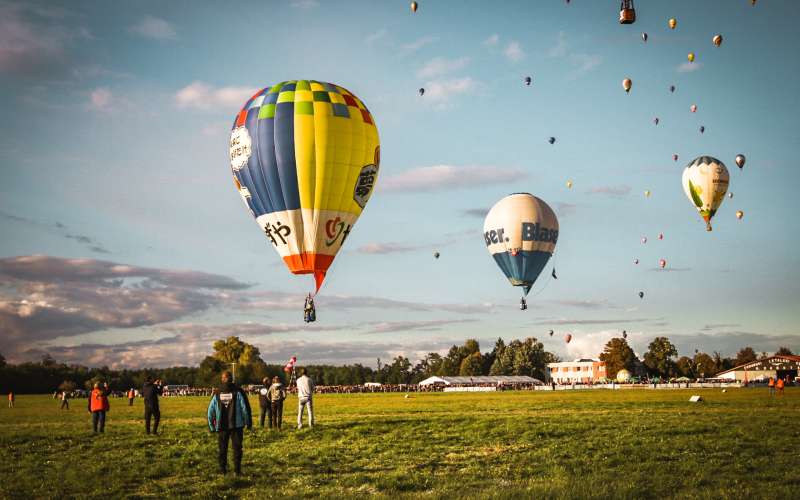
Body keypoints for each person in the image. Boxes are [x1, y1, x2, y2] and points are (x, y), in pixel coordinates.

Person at [207, 371, 252, 475]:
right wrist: (247, 422)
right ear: (232, 379)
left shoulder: (217, 393)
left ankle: (223, 470)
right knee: (237, 449)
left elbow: (210, 410)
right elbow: (244, 408)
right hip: (237, 425)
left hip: (221, 426)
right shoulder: (238, 392)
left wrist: (211, 426)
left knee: (222, 448)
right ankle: (237, 470)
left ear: (222, 379)